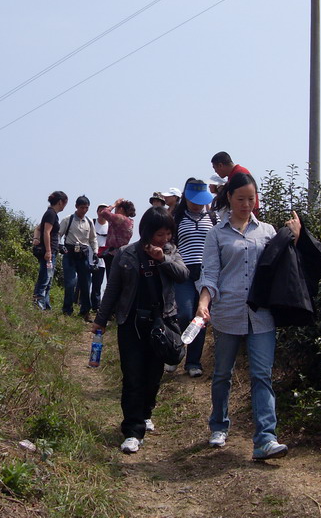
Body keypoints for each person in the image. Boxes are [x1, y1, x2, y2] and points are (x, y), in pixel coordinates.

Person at [196, 172, 300, 461]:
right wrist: (204, 303)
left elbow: (286, 268)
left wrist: (295, 236)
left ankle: (265, 438)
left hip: (261, 315)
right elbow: (211, 274)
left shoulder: (267, 232)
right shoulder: (216, 234)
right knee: (222, 375)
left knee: (261, 376)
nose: (246, 204)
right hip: (228, 312)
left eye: (251, 199)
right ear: (229, 197)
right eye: (240, 199)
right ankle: (219, 425)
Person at [91, 207, 189, 454]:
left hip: (162, 324)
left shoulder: (171, 252)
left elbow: (183, 275)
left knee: (153, 375)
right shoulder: (126, 254)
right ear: (146, 232)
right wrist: (101, 319)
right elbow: (112, 289)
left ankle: (145, 413)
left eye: (168, 233)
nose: (164, 239)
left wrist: (162, 259)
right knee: (132, 375)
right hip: (131, 322)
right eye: (159, 234)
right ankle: (132, 431)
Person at [168, 178, 217, 377]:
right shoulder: (177, 219)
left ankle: (193, 363)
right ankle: (173, 355)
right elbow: (169, 244)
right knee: (184, 314)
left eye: (201, 200)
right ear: (185, 199)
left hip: (207, 274)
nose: (197, 204)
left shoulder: (214, 218)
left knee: (200, 318)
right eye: (193, 200)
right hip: (184, 273)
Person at [59, 195, 98, 320]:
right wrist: (60, 246)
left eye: (86, 208)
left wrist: (96, 253)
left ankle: (85, 311)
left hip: (83, 255)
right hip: (69, 254)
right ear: (76, 206)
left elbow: (93, 239)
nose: (84, 210)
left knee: (86, 284)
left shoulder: (89, 221)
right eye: (82, 207)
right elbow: (58, 234)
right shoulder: (68, 220)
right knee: (70, 283)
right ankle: (67, 310)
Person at [32, 191, 68, 310]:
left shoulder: (51, 214)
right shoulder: (50, 214)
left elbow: (38, 228)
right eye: (64, 203)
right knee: (45, 277)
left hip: (52, 250)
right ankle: (38, 303)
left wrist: (36, 238)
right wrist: (48, 251)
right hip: (48, 251)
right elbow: (46, 232)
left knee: (48, 278)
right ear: (60, 202)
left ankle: (45, 304)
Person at [98, 198, 136, 277]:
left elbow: (104, 213)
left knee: (112, 279)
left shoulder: (120, 218)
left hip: (113, 254)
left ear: (121, 209)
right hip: (122, 253)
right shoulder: (129, 221)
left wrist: (115, 204)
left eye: (116, 209)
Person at [91, 203, 110, 312]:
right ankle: (80, 303)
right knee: (84, 283)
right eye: (100, 210)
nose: (102, 213)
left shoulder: (111, 226)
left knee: (97, 284)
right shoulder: (92, 223)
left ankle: (96, 306)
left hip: (102, 260)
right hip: (88, 257)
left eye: (105, 211)